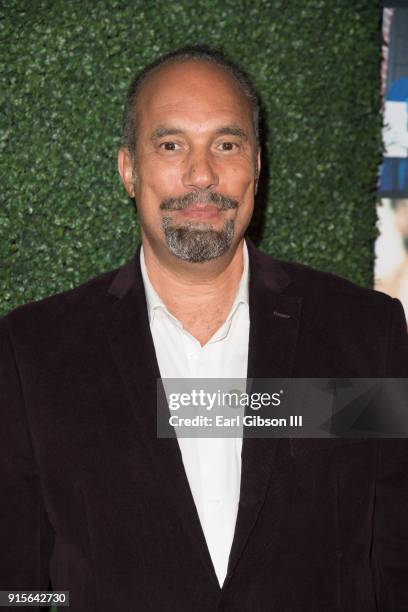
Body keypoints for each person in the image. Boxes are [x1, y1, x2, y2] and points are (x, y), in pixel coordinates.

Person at [1, 46, 408, 612]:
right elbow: (16, 585)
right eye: (171, 145)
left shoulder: (365, 334)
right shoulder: (34, 352)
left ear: (257, 166)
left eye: (226, 144)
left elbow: (392, 560)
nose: (201, 174)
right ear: (129, 170)